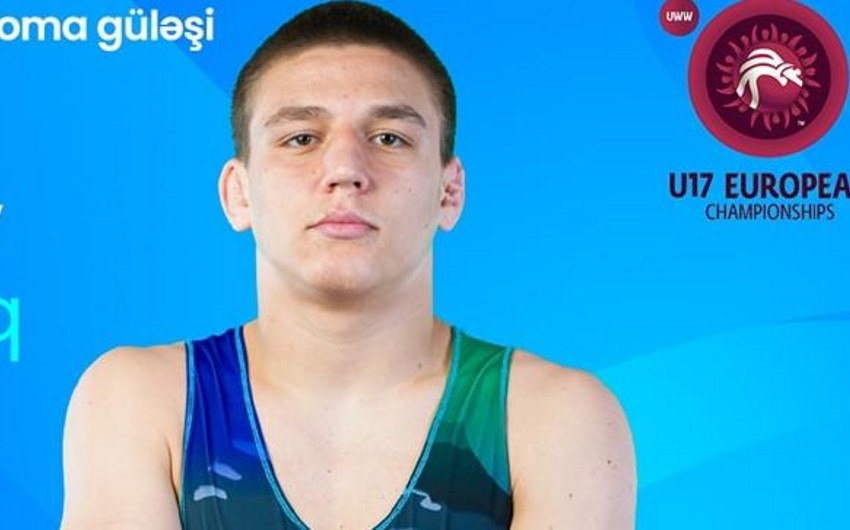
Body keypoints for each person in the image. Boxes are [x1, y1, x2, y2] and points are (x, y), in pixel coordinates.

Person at [61, 2, 636, 528]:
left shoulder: (554, 418)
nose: (345, 169)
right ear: (238, 193)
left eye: (388, 138)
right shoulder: (143, 402)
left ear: (449, 191)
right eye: (301, 138)